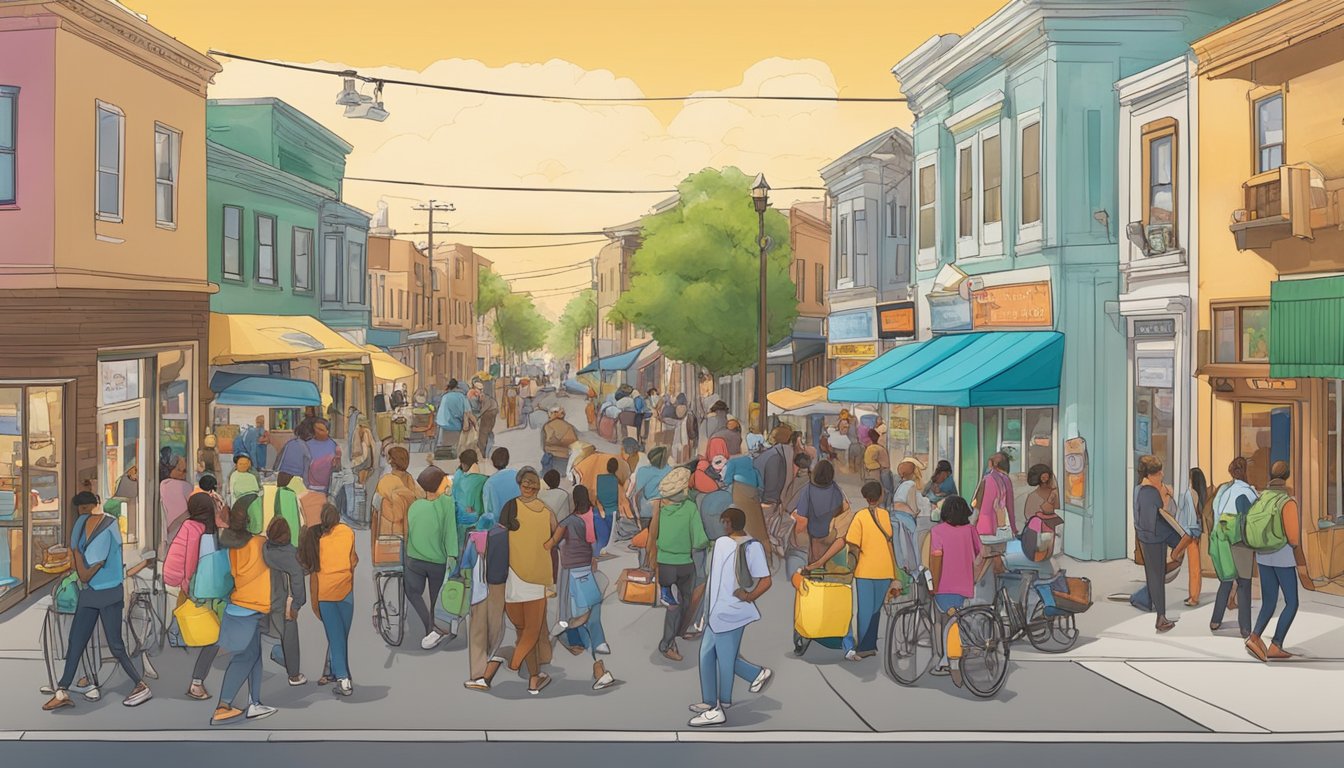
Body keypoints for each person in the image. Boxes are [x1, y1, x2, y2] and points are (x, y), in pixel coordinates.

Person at [43, 492, 152, 711]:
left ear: (90, 507)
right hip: (93, 592)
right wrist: (75, 553)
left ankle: (140, 685)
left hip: (106, 592)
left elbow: (85, 572)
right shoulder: (87, 524)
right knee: (77, 640)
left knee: (115, 644)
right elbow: (80, 563)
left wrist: (76, 553)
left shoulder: (106, 527)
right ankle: (63, 689)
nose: (83, 513)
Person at [688, 506, 773, 728]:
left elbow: (765, 580)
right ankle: (711, 701)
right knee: (707, 655)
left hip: (732, 612)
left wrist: (748, 596)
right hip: (715, 611)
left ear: (731, 523)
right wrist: (704, 612)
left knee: (725, 660)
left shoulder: (750, 547)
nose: (723, 525)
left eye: (725, 521)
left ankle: (719, 707)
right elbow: (713, 581)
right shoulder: (720, 544)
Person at [808, 481, 897, 661]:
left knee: (863, 610)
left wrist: (821, 561)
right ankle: (869, 645)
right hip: (885, 569)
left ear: (865, 497)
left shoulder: (860, 517)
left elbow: (849, 541)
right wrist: (895, 573)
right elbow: (889, 544)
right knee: (875, 611)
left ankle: (863, 647)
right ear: (880, 496)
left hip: (865, 571)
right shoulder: (886, 516)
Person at [209, 496, 276, 725]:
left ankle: (255, 702)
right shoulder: (260, 543)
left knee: (254, 656)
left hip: (239, 606)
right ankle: (223, 705)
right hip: (251, 608)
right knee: (244, 658)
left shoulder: (233, 544)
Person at [545, 485, 616, 690]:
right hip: (585, 568)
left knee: (574, 616)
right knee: (590, 607)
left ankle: (597, 666)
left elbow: (550, 544)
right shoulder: (585, 519)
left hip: (570, 571)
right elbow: (590, 542)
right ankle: (595, 646)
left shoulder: (566, 522)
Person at [1246, 461, 1314, 662]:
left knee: (1269, 601)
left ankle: (1254, 637)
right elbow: (1293, 539)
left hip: (1262, 555)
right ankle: (1276, 644)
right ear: (1287, 476)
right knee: (1292, 602)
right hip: (1282, 557)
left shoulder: (1261, 497)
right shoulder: (1287, 501)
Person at [499, 468, 558, 695]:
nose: (531, 486)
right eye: (529, 483)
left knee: (524, 632)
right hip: (535, 580)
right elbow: (557, 532)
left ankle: (534, 677)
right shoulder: (546, 511)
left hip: (514, 579)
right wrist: (548, 545)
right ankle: (515, 662)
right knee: (531, 632)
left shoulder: (510, 507)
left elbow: (499, 537)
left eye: (532, 483)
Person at [648, 466, 710, 662]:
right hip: (685, 564)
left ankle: (670, 639)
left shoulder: (659, 508)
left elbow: (652, 536)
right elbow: (700, 540)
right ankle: (668, 642)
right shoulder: (691, 508)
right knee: (685, 600)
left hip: (664, 564)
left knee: (672, 604)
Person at [299, 503, 358, 696]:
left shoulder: (317, 540)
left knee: (335, 636)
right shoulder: (347, 532)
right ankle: (338, 674)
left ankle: (342, 678)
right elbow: (353, 560)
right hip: (346, 589)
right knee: (342, 636)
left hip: (325, 593)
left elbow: (311, 567)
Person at [404, 466, 459, 650]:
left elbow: (409, 533)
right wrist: (453, 557)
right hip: (438, 560)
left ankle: (428, 623)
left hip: (414, 558)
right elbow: (450, 533)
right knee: (437, 597)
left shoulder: (415, 506)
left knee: (412, 592)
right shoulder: (446, 504)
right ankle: (433, 628)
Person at [1133, 454, 1184, 633]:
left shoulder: (1139, 489)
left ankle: (1145, 600)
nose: (1162, 474)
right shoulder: (1151, 492)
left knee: (1154, 573)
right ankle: (1160, 617)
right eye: (1158, 472)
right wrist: (1167, 495)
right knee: (1157, 575)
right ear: (1151, 474)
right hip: (1154, 538)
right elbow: (1161, 515)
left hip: (1147, 537)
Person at [460, 513, 507, 692]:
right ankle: (491, 660)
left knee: (477, 633)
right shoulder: (502, 538)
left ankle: (478, 674)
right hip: (498, 587)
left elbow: (465, 565)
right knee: (495, 627)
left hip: (478, 591)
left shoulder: (474, 540)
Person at [1210, 457, 1256, 636]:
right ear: (1245, 471)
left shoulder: (1223, 489)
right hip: (1240, 541)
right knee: (1244, 583)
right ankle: (1245, 627)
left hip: (1220, 538)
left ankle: (1215, 620)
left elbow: (1215, 512)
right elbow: (1252, 517)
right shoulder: (1249, 491)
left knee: (1226, 581)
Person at [261, 517, 306, 686]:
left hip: (263, 597)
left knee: (264, 630)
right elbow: (297, 580)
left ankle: (277, 654)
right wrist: (296, 603)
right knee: (289, 633)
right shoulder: (289, 554)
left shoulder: (265, 548)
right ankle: (293, 674)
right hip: (280, 600)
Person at [1005, 464, 1063, 572]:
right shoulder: (1051, 496)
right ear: (1045, 478)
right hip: (1042, 545)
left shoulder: (1032, 496)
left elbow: (1028, 516)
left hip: (1033, 544)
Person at [791, 459, 849, 564]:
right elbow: (843, 508)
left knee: (815, 566)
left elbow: (802, 522)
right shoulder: (836, 489)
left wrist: (793, 516)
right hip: (833, 537)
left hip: (815, 538)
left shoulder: (808, 490)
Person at [1171, 468, 1209, 607]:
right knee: (1195, 567)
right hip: (1196, 533)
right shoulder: (1200, 494)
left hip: (1189, 533)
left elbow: (1191, 518)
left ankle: (1194, 597)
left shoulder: (1188, 494)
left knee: (1193, 567)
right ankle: (1194, 595)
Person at [374, 446, 423, 539]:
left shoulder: (385, 481)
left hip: (390, 533)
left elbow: (377, 508)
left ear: (390, 461)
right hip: (410, 531)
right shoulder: (410, 479)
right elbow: (420, 498)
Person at [594, 457, 632, 556]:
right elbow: (621, 502)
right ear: (616, 469)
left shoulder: (599, 478)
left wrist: (601, 508)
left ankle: (597, 558)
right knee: (611, 542)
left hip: (599, 513)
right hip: (613, 515)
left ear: (607, 467)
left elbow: (597, 497)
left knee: (601, 540)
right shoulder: (617, 483)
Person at [973, 453, 1016, 537]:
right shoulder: (1007, 480)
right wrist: (1013, 527)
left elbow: (977, 505)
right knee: (999, 549)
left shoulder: (986, 479)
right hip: (1001, 527)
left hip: (983, 527)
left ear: (994, 464)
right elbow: (1010, 506)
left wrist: (972, 524)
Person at [452, 449, 489, 540]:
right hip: (477, 520)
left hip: (461, 520)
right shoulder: (483, 479)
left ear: (464, 464)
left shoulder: (459, 477)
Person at [159, 454, 192, 551]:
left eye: (184, 471)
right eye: (179, 470)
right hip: (180, 528)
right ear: (171, 469)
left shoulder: (163, 485)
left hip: (170, 530)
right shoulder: (186, 486)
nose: (182, 473)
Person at [305, 419, 341, 498]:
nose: (317, 431)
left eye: (320, 430)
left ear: (327, 432)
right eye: (315, 428)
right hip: (310, 488)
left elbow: (337, 469)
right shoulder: (306, 445)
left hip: (327, 489)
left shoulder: (334, 446)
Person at [482, 448, 520, 521]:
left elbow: (488, 511)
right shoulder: (518, 475)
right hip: (519, 521)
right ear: (508, 460)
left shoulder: (489, 483)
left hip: (500, 526)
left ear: (493, 463)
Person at [541, 407, 579, 475]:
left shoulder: (548, 425)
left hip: (552, 457)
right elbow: (574, 442)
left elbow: (547, 441)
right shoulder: (569, 426)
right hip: (566, 457)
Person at [437, 379, 470, 452]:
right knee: (456, 448)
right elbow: (467, 412)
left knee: (445, 449)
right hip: (456, 426)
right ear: (457, 386)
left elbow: (441, 413)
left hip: (444, 426)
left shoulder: (445, 397)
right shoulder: (462, 397)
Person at [472, 381, 499, 456]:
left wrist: (477, 416)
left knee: (483, 432)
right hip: (492, 411)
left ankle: (483, 451)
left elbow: (485, 408)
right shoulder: (481, 396)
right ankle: (485, 449)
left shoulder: (483, 396)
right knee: (487, 430)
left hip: (489, 412)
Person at [350, 415, 376, 487]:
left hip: (361, 454)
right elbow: (372, 443)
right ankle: (363, 487)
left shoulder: (357, 430)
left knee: (360, 472)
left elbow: (355, 445)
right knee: (365, 473)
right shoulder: (367, 430)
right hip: (368, 453)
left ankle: (361, 488)